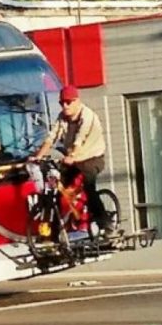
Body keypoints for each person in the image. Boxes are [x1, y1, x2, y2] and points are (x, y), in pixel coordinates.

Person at [31, 84, 112, 234]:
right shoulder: (62, 117)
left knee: (89, 187)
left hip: (92, 157)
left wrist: (72, 156)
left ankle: (104, 221)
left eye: (69, 102)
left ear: (77, 101)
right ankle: (61, 225)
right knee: (57, 185)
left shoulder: (87, 116)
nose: (65, 106)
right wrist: (38, 157)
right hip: (73, 158)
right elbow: (51, 138)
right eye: (62, 103)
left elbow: (78, 141)